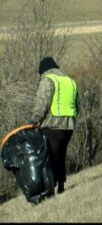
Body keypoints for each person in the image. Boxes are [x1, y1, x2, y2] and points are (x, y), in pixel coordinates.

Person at [28, 56, 78, 194]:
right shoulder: (69, 80)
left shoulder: (48, 79)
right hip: (69, 126)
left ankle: (50, 187)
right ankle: (61, 185)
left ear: (44, 70)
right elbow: (76, 104)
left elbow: (42, 103)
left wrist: (33, 120)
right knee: (60, 155)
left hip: (53, 125)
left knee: (48, 157)